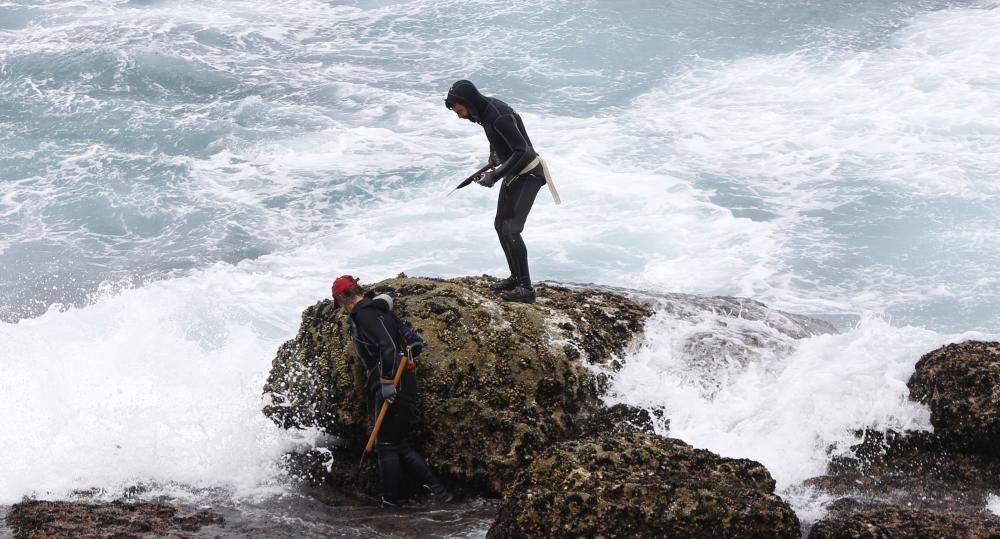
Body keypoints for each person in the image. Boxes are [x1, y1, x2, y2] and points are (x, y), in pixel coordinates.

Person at [331, 274, 452, 506]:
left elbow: (386, 347)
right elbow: (411, 339)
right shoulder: (381, 309)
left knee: (386, 445)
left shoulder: (363, 314)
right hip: (402, 376)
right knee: (397, 442)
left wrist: (387, 382)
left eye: (339, 303)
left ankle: (391, 502)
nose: (342, 310)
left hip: (391, 378)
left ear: (343, 298)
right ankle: (441, 493)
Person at [445, 80, 560, 304]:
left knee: (511, 229)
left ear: (468, 103)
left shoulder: (499, 115)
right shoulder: (484, 114)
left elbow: (523, 151)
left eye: (460, 110)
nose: (459, 116)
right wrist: (494, 158)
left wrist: (495, 175)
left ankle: (526, 289)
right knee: (500, 225)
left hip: (529, 173)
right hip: (513, 173)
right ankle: (515, 277)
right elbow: (496, 140)